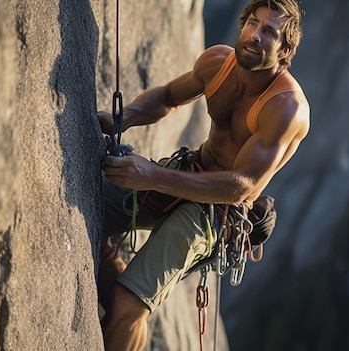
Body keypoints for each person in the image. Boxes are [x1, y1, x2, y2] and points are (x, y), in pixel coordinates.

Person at [98, 0, 309, 350]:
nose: (255, 35)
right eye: (252, 23)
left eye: (269, 32)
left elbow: (242, 186)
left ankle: (124, 316)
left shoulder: (285, 108)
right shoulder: (218, 63)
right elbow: (168, 96)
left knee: (129, 302)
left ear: (285, 49)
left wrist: (152, 176)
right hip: (192, 170)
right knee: (95, 218)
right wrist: (126, 117)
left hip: (216, 212)